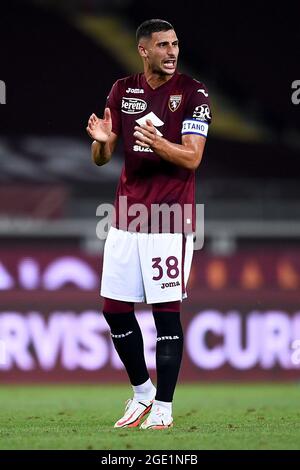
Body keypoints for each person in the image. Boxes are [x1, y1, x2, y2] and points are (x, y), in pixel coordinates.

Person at [86, 19, 211, 430]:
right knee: (114, 311)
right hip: (125, 219)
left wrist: (158, 143)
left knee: (165, 316)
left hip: (169, 220)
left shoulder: (193, 94)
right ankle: (142, 394)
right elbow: (102, 160)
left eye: (175, 43)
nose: (172, 51)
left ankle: (165, 408)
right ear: (144, 50)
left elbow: (192, 158)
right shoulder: (123, 90)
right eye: (162, 45)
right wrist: (103, 142)